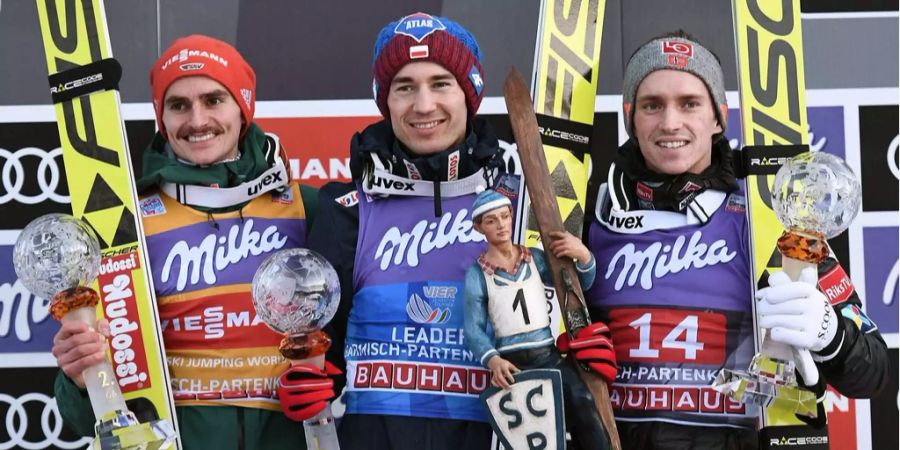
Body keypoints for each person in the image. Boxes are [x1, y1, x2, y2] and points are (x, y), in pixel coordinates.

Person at [583, 30, 891, 449]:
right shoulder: (590, 217)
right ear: (631, 118)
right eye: (652, 105)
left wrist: (830, 334)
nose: (670, 122)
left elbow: (874, 374)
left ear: (718, 117)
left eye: (689, 103)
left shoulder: (767, 221)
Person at [50, 35, 320, 449]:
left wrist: (329, 377)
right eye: (178, 105)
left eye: (214, 100)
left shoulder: (308, 208)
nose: (197, 121)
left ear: (243, 107)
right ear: (162, 117)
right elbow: (89, 418)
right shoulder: (125, 224)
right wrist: (80, 376)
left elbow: (357, 340)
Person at [297, 11, 505, 450]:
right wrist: (305, 383)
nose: (423, 105)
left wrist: (574, 364)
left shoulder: (521, 202)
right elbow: (319, 356)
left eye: (441, 84)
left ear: (470, 94)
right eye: (404, 87)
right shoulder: (346, 209)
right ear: (384, 100)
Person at [463, 188, 615, 450]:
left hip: (547, 354)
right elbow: (473, 328)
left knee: (582, 401)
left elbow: (579, 288)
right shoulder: (477, 274)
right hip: (511, 363)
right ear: (478, 228)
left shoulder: (535, 259)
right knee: (529, 435)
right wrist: (493, 359)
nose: (501, 225)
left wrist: (584, 256)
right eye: (491, 221)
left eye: (504, 216)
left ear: (512, 217)